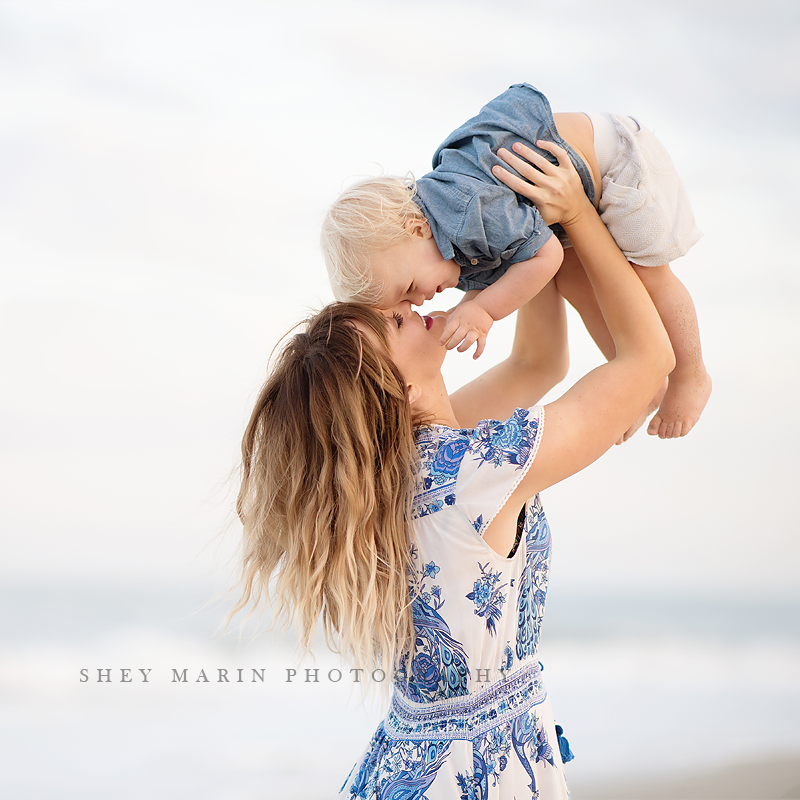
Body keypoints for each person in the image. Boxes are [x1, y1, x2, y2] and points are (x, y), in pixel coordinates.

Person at [233, 143, 674, 798]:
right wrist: (577, 216)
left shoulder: (409, 463)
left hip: (413, 760)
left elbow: (538, 364)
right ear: (396, 390)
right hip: (471, 774)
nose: (408, 305)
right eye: (392, 321)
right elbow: (647, 365)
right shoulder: (470, 468)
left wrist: (525, 244)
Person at [321, 82, 711, 440]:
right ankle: (640, 383)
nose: (421, 301)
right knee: (577, 284)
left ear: (417, 227)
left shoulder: (471, 211)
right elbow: (517, 283)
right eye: (403, 312)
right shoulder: (441, 246)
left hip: (616, 161)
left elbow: (545, 257)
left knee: (652, 277)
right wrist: (471, 309)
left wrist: (484, 312)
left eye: (406, 295)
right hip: (570, 201)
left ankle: (691, 376)